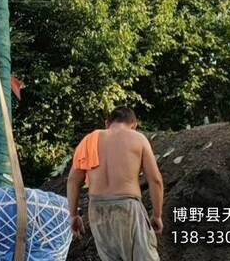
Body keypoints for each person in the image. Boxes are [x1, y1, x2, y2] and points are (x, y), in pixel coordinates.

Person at [67, 106, 164, 261]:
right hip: (127, 207)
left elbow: (73, 180)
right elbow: (156, 180)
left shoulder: (89, 140)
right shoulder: (137, 138)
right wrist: (157, 215)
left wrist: (73, 215)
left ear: (107, 123)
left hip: (97, 209)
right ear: (134, 125)